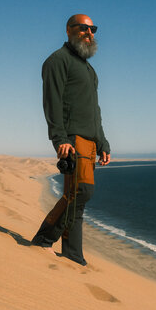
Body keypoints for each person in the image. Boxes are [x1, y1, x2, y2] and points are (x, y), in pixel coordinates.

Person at [31, 14, 111, 266]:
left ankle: (74, 255)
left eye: (93, 29)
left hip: (89, 141)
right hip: (72, 140)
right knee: (80, 191)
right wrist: (59, 138)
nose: (89, 33)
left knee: (78, 198)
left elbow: (95, 110)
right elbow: (51, 102)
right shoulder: (58, 60)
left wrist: (103, 142)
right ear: (69, 30)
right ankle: (44, 239)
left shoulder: (89, 70)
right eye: (83, 28)